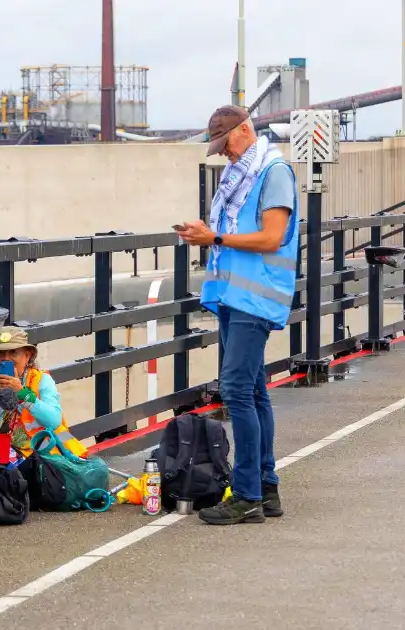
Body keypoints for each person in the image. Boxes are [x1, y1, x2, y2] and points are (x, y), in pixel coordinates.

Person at [176, 105, 298, 526]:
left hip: (255, 298)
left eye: (225, 143)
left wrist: (216, 237)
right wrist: (206, 236)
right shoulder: (241, 175)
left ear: (245, 131)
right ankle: (266, 487)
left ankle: (247, 495)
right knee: (254, 390)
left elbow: (271, 236)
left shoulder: (272, 172)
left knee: (237, 392)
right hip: (235, 296)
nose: (224, 154)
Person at [0, 326, 87, 461]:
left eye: (13, 352)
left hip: (47, 455)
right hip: (8, 457)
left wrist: (22, 394)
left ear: (27, 356)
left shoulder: (42, 381)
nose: (6, 359)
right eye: (0, 353)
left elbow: (54, 421)